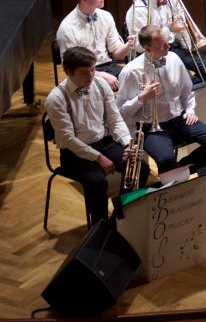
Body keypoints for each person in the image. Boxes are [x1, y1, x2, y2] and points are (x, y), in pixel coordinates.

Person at [44, 45, 146, 225]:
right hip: (74, 153)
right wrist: (98, 158)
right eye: (84, 72)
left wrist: (128, 143)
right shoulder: (56, 98)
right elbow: (68, 139)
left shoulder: (100, 85)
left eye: (93, 69)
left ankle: (121, 218)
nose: (91, 76)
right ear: (69, 72)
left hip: (103, 143)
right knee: (98, 183)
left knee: (141, 167)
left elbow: (115, 119)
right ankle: (101, 228)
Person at [117, 25, 206, 175]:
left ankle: (181, 171)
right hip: (151, 129)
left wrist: (189, 109)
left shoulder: (173, 58)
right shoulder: (130, 71)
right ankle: (174, 176)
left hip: (179, 119)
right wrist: (141, 97)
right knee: (166, 160)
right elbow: (122, 111)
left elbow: (186, 91)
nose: (168, 46)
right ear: (147, 48)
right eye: (162, 45)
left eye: (167, 41)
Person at [125, 0, 206, 83]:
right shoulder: (138, 9)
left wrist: (190, 49)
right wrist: (168, 29)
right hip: (154, 53)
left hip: (175, 47)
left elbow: (180, 29)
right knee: (183, 80)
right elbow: (139, 46)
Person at [56, 0, 135, 90]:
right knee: (108, 88)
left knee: (137, 78)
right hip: (83, 73)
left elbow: (117, 54)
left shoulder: (106, 16)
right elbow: (71, 67)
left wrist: (128, 45)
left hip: (108, 66)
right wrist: (102, 76)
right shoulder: (67, 27)